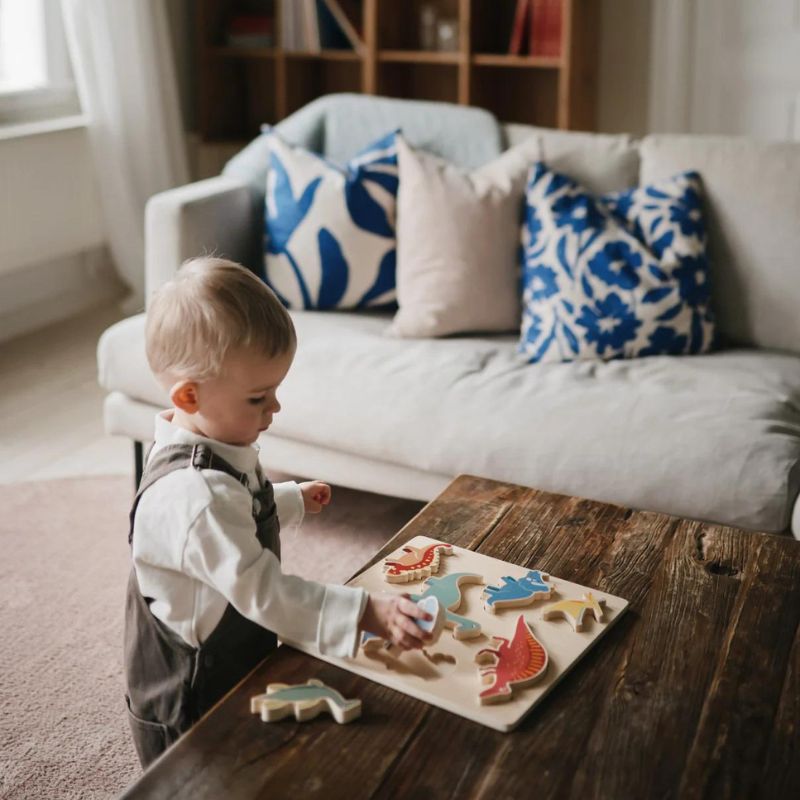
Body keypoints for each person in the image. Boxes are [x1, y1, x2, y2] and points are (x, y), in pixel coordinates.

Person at [124, 257, 431, 767]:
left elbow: (236, 512)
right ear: (189, 395)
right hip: (189, 702)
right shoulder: (193, 497)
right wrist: (364, 612)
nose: (276, 408)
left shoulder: (214, 460)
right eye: (259, 396)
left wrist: (285, 499)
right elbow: (263, 590)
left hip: (230, 661)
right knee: (210, 777)